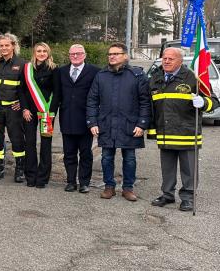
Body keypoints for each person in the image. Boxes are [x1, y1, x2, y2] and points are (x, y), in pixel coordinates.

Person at [148, 48, 216, 212]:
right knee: (167, 168)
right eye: (164, 58)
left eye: (171, 58)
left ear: (180, 61)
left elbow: (214, 101)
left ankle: (188, 198)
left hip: (187, 133)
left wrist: (204, 103)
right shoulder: (156, 78)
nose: (166, 61)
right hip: (165, 133)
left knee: (189, 169)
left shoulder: (193, 78)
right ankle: (167, 194)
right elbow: (151, 106)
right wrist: (151, 130)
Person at [86, 42, 151, 202]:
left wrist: (142, 124)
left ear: (125, 56)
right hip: (106, 123)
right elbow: (92, 100)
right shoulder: (101, 76)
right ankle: (109, 187)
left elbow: (145, 102)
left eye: (116, 53)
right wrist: (92, 122)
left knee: (129, 157)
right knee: (106, 157)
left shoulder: (137, 75)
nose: (112, 56)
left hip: (130, 124)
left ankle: (128, 188)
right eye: (110, 54)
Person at [52, 44, 99, 193]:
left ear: (84, 55)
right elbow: (57, 95)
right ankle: (71, 181)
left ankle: (84, 182)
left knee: (85, 153)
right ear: (69, 55)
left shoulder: (94, 71)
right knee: (69, 153)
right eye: (72, 54)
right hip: (67, 119)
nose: (75, 56)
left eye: (78, 53)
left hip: (86, 120)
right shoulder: (61, 71)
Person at [20, 42, 58, 188]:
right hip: (29, 112)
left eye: (44, 51)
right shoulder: (27, 69)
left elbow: (57, 92)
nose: (41, 53)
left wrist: (50, 113)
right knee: (29, 143)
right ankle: (30, 176)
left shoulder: (54, 69)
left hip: (46, 113)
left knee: (45, 145)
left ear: (48, 53)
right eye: (39, 51)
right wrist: (24, 109)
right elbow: (22, 90)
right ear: (34, 53)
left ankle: (42, 178)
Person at [0, 33, 26, 183]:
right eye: (1, 45)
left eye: (7, 45)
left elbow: (27, 88)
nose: (4, 48)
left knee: (17, 139)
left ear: (13, 45)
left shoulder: (23, 64)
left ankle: (20, 170)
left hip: (14, 109)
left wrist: (22, 103)